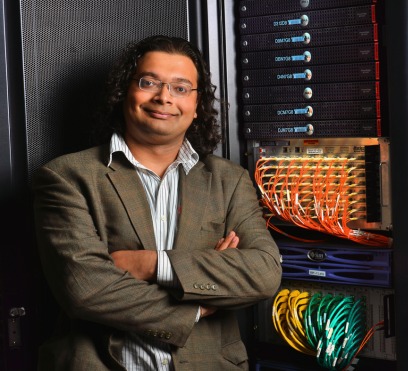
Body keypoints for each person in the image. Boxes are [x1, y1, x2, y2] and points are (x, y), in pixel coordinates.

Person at [32, 35, 282, 370]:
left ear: (197, 107)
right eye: (149, 82)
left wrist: (151, 265)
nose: (164, 97)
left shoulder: (229, 180)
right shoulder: (67, 176)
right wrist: (197, 305)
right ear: (125, 93)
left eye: (180, 88)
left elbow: (264, 273)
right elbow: (86, 289)